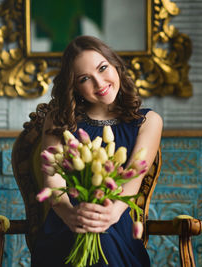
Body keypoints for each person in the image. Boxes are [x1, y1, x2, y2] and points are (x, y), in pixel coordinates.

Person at [31, 35, 163, 267]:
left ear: (116, 66)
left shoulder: (148, 122)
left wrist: (107, 217)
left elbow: (132, 180)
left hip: (116, 223)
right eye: (84, 79)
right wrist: (72, 217)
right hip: (66, 222)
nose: (99, 83)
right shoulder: (59, 119)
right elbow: (53, 183)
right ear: (74, 87)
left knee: (104, 240)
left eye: (103, 68)